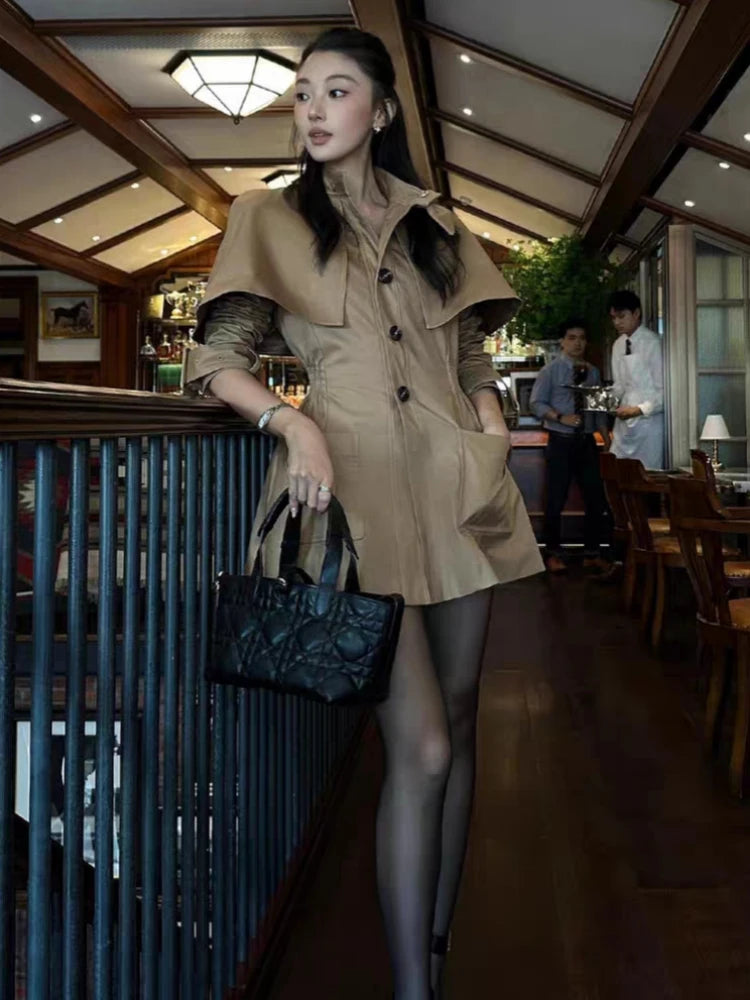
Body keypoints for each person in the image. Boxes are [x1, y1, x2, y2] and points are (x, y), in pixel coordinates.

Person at [185, 27, 543, 999]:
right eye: (303, 92)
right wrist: (292, 425)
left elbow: (472, 360)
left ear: (381, 112)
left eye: (336, 90)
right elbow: (214, 358)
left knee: (464, 725)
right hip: (353, 500)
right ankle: (412, 988)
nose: (311, 106)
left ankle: (435, 939)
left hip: (459, 493)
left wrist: (490, 429)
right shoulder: (267, 216)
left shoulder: (439, 228)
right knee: (421, 742)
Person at [530, 320, 611, 574]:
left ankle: (592, 553)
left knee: (595, 498)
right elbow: (536, 403)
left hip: (586, 442)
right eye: (572, 337)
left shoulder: (593, 372)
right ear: (562, 342)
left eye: (582, 338)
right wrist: (559, 417)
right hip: (561, 440)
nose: (578, 343)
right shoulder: (550, 371)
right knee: (556, 498)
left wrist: (608, 443)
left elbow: (598, 411)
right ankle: (552, 553)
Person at [608, 289, 664, 469]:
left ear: (636, 313)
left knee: (648, 475)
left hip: (649, 422)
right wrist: (607, 400)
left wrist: (639, 409)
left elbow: (664, 390)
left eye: (622, 316)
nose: (617, 322)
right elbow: (619, 385)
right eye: (613, 318)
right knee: (620, 473)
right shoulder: (618, 345)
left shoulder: (653, 343)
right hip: (624, 422)